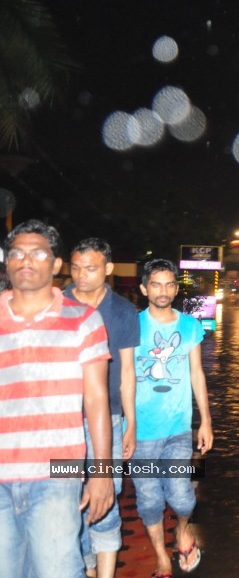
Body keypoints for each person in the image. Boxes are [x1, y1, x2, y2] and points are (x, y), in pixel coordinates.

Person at [0, 220, 114, 578]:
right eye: (16, 253)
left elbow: (97, 400)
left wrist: (102, 473)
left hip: (57, 475)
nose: (25, 260)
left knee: (57, 571)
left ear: (55, 264)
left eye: (37, 253)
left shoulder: (84, 320)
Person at [66, 238, 141, 578]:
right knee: (67, 498)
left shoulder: (123, 311)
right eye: (76, 268)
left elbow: (127, 372)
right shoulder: (57, 305)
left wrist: (130, 423)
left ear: (108, 269)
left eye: (91, 268)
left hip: (107, 420)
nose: (82, 275)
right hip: (62, 420)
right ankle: (87, 567)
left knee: (105, 497)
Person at [133, 259, 213, 576]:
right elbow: (124, 376)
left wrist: (205, 420)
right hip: (139, 431)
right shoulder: (132, 325)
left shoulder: (190, 326)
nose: (163, 291)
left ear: (176, 289)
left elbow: (197, 373)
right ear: (143, 289)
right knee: (149, 499)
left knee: (181, 495)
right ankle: (161, 557)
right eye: (155, 284)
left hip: (179, 428)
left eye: (169, 284)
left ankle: (182, 529)